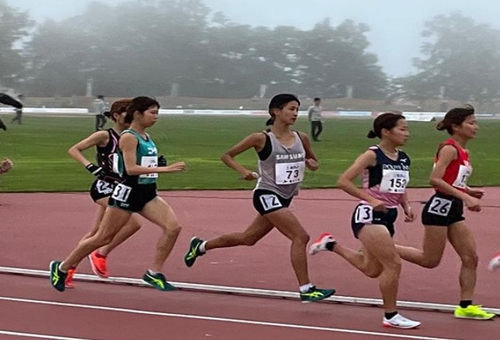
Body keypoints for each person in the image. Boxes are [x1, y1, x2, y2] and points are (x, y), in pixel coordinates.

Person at [183, 93, 335, 303]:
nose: (295, 113)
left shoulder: (302, 137)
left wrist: (312, 164)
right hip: (266, 194)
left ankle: (200, 246)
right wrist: (243, 171)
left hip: (286, 197)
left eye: (297, 109)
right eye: (291, 109)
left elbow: (313, 160)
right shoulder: (261, 138)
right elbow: (227, 155)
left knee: (248, 238)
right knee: (300, 237)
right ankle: (306, 288)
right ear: (276, 111)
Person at [50, 96, 186, 292]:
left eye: (158, 113)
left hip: (147, 193)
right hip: (127, 193)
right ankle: (62, 267)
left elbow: (143, 164)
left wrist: (157, 165)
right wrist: (167, 169)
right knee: (102, 237)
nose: (157, 117)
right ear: (138, 114)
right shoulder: (129, 137)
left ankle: (154, 273)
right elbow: (130, 169)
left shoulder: (146, 137)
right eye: (153, 113)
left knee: (173, 227)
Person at [309, 112, 421, 329]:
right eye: (402, 129)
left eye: (407, 129)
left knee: (371, 269)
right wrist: (371, 200)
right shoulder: (372, 155)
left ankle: (330, 244)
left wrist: (405, 205)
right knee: (394, 263)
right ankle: (391, 316)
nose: (407, 133)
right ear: (386, 132)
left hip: (389, 216)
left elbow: (399, 185)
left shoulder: (404, 157)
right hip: (369, 215)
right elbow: (343, 181)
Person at [395, 105, 495, 320]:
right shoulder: (449, 148)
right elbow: (435, 180)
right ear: (456, 127)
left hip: (454, 208)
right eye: (471, 123)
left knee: (470, 257)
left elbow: (452, 180)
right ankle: (382, 246)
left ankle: (465, 306)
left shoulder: (464, 151)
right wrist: (465, 197)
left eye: (475, 122)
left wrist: (468, 190)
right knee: (429, 260)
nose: (476, 127)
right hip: (439, 208)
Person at [64, 98, 142, 288]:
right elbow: (74, 149)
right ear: (116, 115)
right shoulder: (104, 136)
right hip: (105, 187)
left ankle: (69, 268)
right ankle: (99, 254)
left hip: (123, 187)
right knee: (132, 222)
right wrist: (90, 167)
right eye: (128, 112)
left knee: (97, 231)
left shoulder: (133, 136)